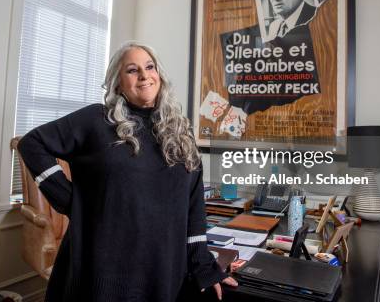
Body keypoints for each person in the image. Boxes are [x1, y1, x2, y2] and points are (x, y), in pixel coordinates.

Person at [17, 42, 238, 301]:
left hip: (163, 270)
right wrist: (71, 201)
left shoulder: (180, 131)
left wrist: (204, 267)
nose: (144, 75)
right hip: (105, 273)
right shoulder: (96, 120)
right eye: (132, 70)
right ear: (118, 83)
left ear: (159, 75)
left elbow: (194, 206)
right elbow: (32, 144)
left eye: (150, 67)